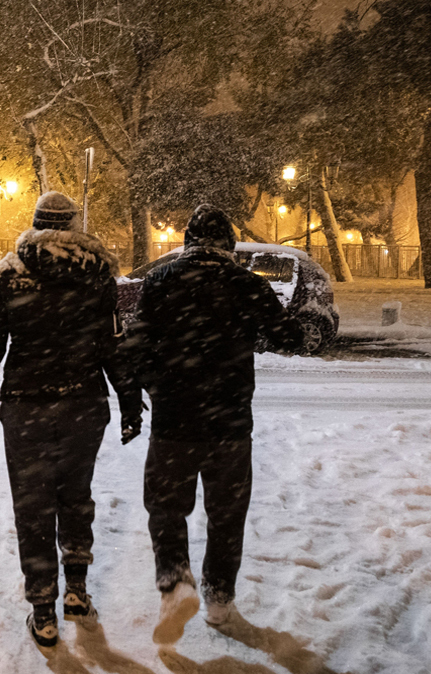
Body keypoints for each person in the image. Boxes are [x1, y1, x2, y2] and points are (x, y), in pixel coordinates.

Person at [0, 191, 143, 649]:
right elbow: (113, 342)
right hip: (83, 405)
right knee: (75, 496)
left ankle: (42, 609)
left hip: (26, 405)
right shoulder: (97, 272)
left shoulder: (9, 273)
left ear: (35, 223)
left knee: (32, 506)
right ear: (73, 225)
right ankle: (77, 592)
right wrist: (128, 399)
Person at [123, 205, 304, 645]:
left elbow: (135, 346)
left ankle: (175, 584)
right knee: (226, 515)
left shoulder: (160, 282)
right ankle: (220, 602)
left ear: (188, 243)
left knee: (166, 508)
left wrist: (153, 388)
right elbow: (290, 337)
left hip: (174, 423)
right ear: (228, 245)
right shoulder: (246, 285)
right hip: (230, 424)